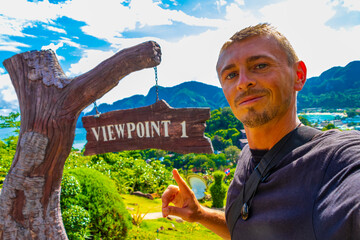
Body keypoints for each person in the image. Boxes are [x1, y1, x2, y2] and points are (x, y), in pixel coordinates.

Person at [161, 23, 360, 239]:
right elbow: (250, 231)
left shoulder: (337, 161)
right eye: (231, 75)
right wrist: (200, 214)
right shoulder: (247, 157)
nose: (243, 82)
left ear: (299, 75)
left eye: (260, 66)